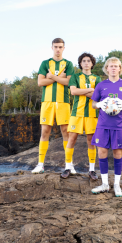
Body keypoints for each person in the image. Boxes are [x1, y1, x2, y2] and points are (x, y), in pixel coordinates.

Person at [90, 57, 122, 197]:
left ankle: (116, 184)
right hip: (103, 125)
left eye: (116, 66)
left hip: (119, 126)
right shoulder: (101, 85)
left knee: (117, 154)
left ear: (120, 68)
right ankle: (104, 184)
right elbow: (93, 103)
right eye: (111, 66)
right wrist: (99, 105)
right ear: (107, 69)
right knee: (102, 153)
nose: (114, 68)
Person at [32, 38, 74, 174]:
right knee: (45, 132)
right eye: (55, 47)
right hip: (47, 102)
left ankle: (69, 164)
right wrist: (58, 77)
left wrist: (51, 77)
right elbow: (40, 82)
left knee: (65, 132)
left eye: (60, 47)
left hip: (63, 101)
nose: (58, 49)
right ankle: (40, 164)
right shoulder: (45, 63)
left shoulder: (68, 64)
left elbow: (68, 82)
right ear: (51, 48)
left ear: (64, 48)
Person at [61, 53, 101, 180]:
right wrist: (90, 91)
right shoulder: (75, 77)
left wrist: (82, 91)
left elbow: (98, 96)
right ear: (80, 63)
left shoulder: (97, 78)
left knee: (91, 141)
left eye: (88, 61)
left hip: (92, 114)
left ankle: (92, 170)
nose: (86, 63)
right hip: (76, 113)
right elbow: (73, 91)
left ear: (92, 63)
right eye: (83, 61)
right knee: (71, 139)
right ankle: (68, 167)